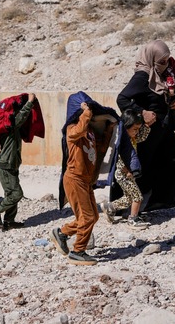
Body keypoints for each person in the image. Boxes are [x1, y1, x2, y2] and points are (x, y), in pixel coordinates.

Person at [116, 40, 175, 218]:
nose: (166, 65)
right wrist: (142, 113)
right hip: (147, 131)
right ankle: (124, 209)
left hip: (164, 127)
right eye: (161, 61)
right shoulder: (142, 76)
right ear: (152, 60)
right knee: (140, 168)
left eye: (167, 60)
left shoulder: (168, 72)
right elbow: (122, 99)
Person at [50, 97, 115, 266]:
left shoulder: (90, 133)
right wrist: (86, 112)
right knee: (86, 217)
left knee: (92, 217)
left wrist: (109, 130)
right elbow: (76, 131)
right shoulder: (72, 130)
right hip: (74, 179)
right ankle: (78, 251)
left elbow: (100, 148)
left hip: (85, 181)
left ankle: (62, 233)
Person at [0, 93, 43, 231]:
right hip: (6, 166)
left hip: (11, 164)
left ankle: (9, 222)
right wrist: (29, 103)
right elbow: (20, 118)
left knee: (10, 194)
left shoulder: (10, 127)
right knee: (16, 194)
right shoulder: (8, 126)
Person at [101, 109, 151, 230]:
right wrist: (128, 171)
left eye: (138, 129)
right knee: (137, 197)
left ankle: (110, 207)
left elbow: (142, 137)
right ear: (126, 127)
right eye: (135, 129)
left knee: (129, 198)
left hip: (125, 174)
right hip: (123, 174)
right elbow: (119, 160)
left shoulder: (132, 138)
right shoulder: (121, 142)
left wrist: (147, 125)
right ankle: (133, 219)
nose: (137, 132)